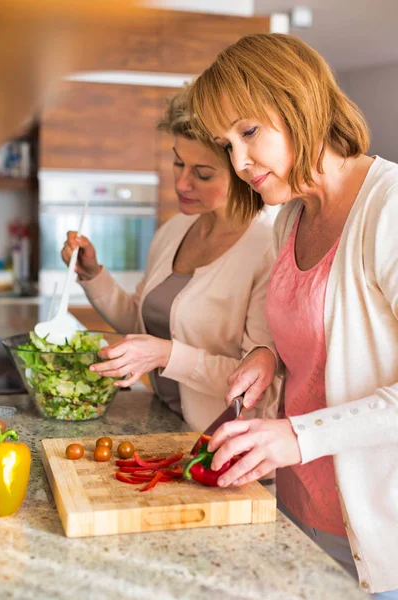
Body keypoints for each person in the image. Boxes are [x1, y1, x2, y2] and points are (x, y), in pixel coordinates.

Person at [187, 33, 398, 598]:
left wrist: (297, 437)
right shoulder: (290, 217)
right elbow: (305, 324)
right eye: (225, 144)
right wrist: (265, 353)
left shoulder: (389, 208)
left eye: (248, 132)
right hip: (299, 502)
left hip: (381, 530)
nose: (239, 162)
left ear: (302, 102)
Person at [62, 91, 280, 432]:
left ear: (242, 171)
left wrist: (166, 355)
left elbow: (255, 382)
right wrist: (92, 274)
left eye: (203, 174)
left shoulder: (268, 248)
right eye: (178, 162)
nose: (181, 183)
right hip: (166, 424)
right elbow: (142, 323)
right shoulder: (175, 230)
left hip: (221, 444)